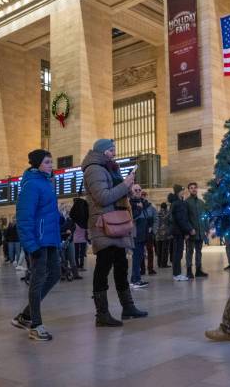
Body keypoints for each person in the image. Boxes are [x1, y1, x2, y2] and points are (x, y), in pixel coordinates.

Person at [82, 139, 147, 327]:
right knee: (103, 266)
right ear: (102, 152)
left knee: (121, 265)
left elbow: (115, 194)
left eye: (114, 150)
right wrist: (125, 184)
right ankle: (101, 314)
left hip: (116, 222)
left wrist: (128, 188)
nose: (114, 153)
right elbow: (103, 197)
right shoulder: (94, 169)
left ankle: (128, 307)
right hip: (103, 223)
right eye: (111, 150)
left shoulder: (110, 167)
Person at [11, 149, 62, 341]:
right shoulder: (31, 184)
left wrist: (61, 224)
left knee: (55, 273)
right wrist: (31, 245)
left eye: (51, 162)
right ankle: (35, 325)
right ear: (38, 164)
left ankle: (25, 315)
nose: (51, 165)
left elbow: (48, 212)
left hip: (51, 239)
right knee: (37, 280)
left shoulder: (46, 183)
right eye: (48, 162)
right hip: (39, 241)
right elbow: (24, 217)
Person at [185, 182, 209, 279]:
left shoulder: (201, 203)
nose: (193, 189)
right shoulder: (186, 203)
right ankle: (189, 271)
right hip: (191, 232)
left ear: (197, 189)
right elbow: (185, 218)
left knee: (199, 251)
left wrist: (206, 229)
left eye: (195, 188)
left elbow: (205, 217)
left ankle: (198, 270)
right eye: (191, 188)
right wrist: (188, 230)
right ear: (189, 190)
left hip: (200, 232)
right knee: (189, 252)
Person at [169, 185, 192, 281]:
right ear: (178, 192)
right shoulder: (177, 203)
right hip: (177, 231)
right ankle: (177, 274)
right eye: (182, 191)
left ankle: (177, 273)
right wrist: (189, 229)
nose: (183, 192)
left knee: (178, 253)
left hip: (179, 231)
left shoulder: (179, 202)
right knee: (177, 253)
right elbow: (181, 219)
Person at [129, 184, 149, 288]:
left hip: (142, 235)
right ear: (131, 191)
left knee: (140, 257)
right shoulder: (130, 203)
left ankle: (136, 278)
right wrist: (140, 208)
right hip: (136, 234)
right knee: (136, 257)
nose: (138, 191)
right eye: (135, 190)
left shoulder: (141, 203)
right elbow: (132, 217)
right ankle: (135, 280)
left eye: (139, 190)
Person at [141, 191, 158, 275]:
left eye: (144, 195)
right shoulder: (137, 206)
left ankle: (150, 268)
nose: (143, 197)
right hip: (140, 232)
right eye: (142, 195)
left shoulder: (151, 207)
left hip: (149, 232)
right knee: (140, 251)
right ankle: (142, 269)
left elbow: (156, 219)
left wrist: (154, 230)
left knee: (150, 251)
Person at [155, 202, 171, 269]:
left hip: (158, 235)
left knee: (159, 250)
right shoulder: (168, 213)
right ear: (166, 207)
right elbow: (170, 223)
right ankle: (164, 264)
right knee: (165, 250)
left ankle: (159, 263)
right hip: (165, 234)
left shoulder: (157, 213)